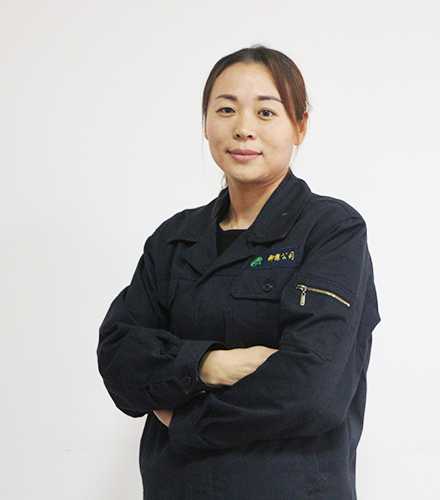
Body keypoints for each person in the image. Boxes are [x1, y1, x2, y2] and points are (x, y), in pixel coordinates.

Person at [96, 44, 381, 500]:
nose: (244, 128)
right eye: (226, 109)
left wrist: (183, 417)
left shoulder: (331, 231)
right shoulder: (174, 240)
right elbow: (119, 358)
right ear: (205, 123)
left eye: (266, 112)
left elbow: (314, 391)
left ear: (300, 125)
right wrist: (210, 364)